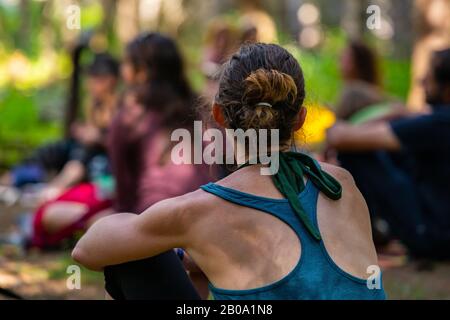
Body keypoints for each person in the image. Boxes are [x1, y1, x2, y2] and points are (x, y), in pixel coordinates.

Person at [73, 43, 386, 300]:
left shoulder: (200, 211)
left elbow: (87, 251)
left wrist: (180, 250)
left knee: (132, 260)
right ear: (300, 119)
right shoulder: (341, 183)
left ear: (219, 115)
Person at [102, 33, 213, 300]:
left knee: (103, 236)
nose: (122, 70)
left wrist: (118, 230)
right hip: (204, 225)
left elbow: (124, 195)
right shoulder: (200, 110)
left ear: (142, 72)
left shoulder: (129, 116)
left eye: (127, 64)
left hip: (153, 227)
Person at [327, 48, 450, 260]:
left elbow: (339, 137)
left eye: (429, 76)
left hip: (433, 237)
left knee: (357, 152)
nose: (421, 82)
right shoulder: (436, 121)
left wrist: (394, 113)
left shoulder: (440, 122)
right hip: (437, 226)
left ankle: (365, 236)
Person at [29, 53, 119, 249]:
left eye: (94, 79)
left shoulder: (124, 112)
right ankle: (82, 230)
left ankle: (83, 230)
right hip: (98, 186)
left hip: (113, 190)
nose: (89, 84)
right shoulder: (95, 113)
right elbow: (79, 161)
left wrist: (100, 139)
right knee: (43, 214)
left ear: (110, 80)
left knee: (45, 215)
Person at [336, 40, 386, 121]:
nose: (340, 63)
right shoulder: (376, 92)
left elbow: (340, 121)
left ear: (358, 63)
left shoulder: (352, 91)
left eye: (345, 58)